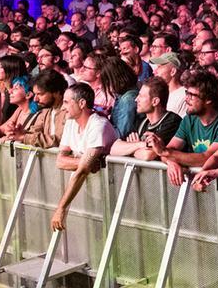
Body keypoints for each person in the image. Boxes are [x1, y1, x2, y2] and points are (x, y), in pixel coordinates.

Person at [143, 69, 218, 185]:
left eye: (192, 95)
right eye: (187, 93)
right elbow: (168, 151)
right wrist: (171, 162)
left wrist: (165, 152)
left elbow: (207, 157)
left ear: (208, 99)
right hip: (199, 187)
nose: (187, 99)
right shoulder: (189, 120)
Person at [51, 82, 118, 231]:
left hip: (111, 191)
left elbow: (82, 171)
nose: (63, 107)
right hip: (90, 194)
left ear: (82, 103)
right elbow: (60, 161)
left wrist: (61, 207)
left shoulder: (98, 125)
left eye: (67, 102)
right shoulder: (70, 123)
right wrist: (87, 162)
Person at [111, 77, 180, 157]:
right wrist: (140, 145)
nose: (136, 99)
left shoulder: (172, 122)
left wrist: (130, 149)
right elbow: (114, 149)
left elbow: (148, 155)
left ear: (155, 101)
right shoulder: (143, 121)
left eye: (141, 96)